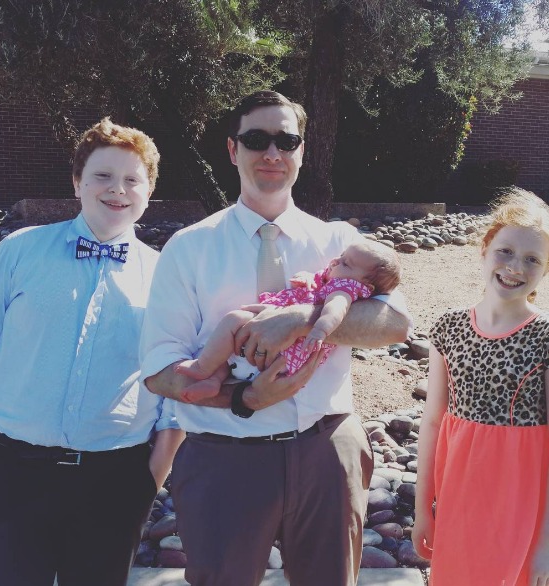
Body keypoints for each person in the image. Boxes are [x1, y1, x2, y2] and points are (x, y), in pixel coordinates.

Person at [140, 90, 411, 586]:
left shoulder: (340, 243)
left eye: (286, 141)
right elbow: (159, 371)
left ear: (301, 151)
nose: (272, 153)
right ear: (232, 149)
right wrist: (241, 398)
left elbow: (395, 324)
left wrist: (302, 319)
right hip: (224, 456)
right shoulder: (189, 247)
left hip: (327, 450)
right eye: (256, 139)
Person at [0, 118, 184, 586]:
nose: (117, 190)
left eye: (132, 179)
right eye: (102, 175)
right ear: (77, 182)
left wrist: (150, 479)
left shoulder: (165, 277)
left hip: (114, 481)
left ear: (149, 191)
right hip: (10, 473)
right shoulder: (20, 252)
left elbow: (174, 390)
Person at [412, 189, 549, 585]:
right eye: (505, 251)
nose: (515, 267)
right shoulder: (449, 327)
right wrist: (422, 510)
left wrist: (545, 543)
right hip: (460, 493)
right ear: (485, 249)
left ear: (545, 270)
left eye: (532, 259)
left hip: (521, 501)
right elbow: (433, 422)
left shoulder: (544, 336)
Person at [175, 239, 401, 402]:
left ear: (365, 285)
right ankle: (214, 382)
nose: (335, 261)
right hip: (277, 356)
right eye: (341, 256)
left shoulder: (345, 289)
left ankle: (203, 367)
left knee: (235, 319)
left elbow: (335, 310)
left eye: (346, 264)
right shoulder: (335, 279)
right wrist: (308, 279)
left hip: (285, 348)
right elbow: (319, 285)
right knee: (232, 347)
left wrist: (317, 329)